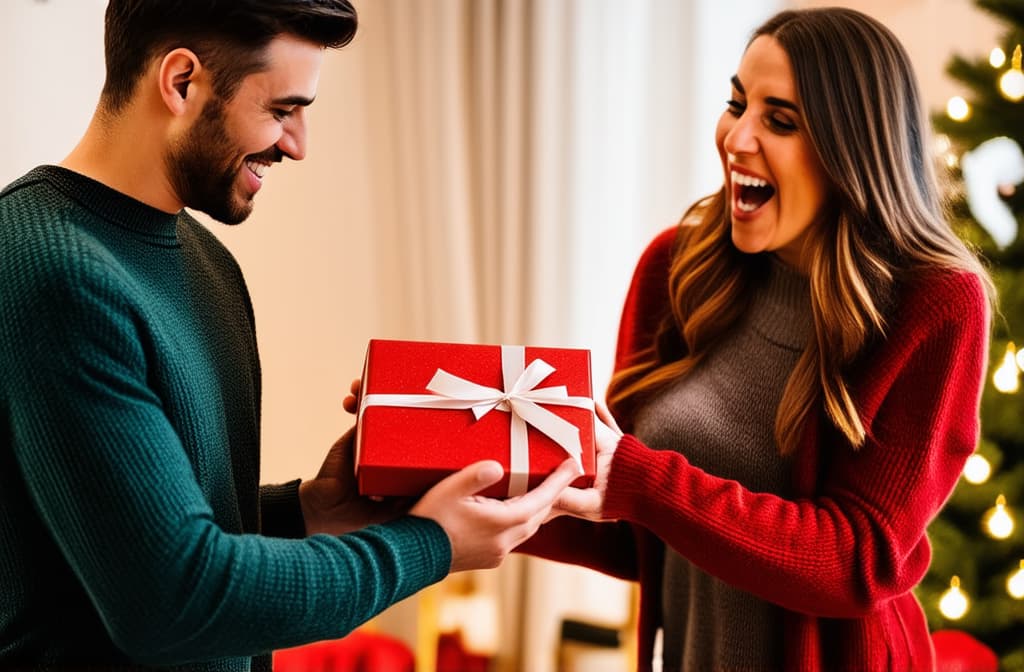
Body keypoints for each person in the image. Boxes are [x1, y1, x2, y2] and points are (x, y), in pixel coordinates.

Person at [0, 2, 579, 670]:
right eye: (283, 110)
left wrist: (309, 511)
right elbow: (173, 602)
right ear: (182, 82)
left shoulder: (209, 266)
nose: (299, 143)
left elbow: (157, 530)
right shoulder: (50, 269)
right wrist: (432, 545)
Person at [520, 7, 994, 671]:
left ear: (852, 149)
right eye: (736, 104)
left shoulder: (933, 304)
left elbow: (858, 559)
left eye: (780, 120)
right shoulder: (675, 270)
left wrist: (640, 481)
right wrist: (458, 475)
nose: (736, 138)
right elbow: (638, 527)